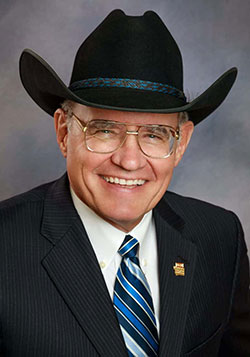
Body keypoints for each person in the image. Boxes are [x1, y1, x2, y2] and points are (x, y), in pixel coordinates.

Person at [0, 9, 249, 357]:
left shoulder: (220, 237)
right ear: (62, 132)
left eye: (155, 134)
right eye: (103, 130)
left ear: (182, 143)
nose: (129, 160)